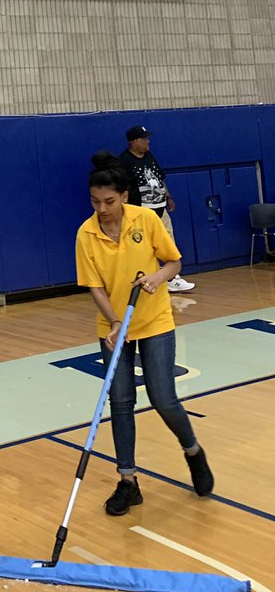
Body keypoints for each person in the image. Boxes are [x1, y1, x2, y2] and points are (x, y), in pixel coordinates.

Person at [75, 153, 213, 517]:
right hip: (113, 327)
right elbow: (95, 287)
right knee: (120, 403)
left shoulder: (147, 219)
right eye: (94, 201)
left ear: (123, 196)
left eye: (108, 201)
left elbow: (173, 263)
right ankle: (128, 481)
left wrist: (156, 278)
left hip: (153, 321)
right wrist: (115, 322)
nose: (101, 208)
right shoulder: (86, 234)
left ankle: (193, 451)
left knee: (163, 398)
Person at [119, 124, 194, 293]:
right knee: (144, 246)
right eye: (145, 139)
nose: (148, 141)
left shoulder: (149, 156)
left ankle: (172, 278)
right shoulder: (123, 161)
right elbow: (121, 189)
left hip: (160, 208)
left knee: (169, 241)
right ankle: (148, 278)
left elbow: (159, 178)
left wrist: (168, 196)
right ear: (135, 141)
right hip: (142, 211)